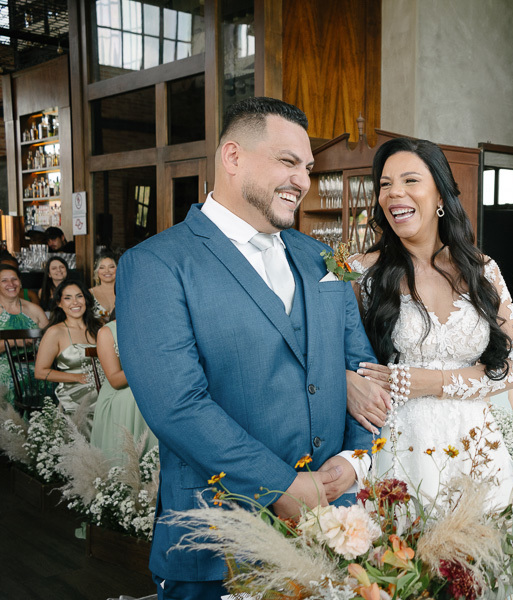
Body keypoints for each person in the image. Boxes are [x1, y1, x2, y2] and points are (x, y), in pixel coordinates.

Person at [116, 97, 380, 600]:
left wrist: (355, 459)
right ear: (233, 157)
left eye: (307, 168)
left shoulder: (322, 258)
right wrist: (279, 485)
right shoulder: (156, 265)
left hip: (333, 531)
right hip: (216, 542)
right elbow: (176, 406)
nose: (302, 180)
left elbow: (362, 371)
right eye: (287, 161)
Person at [349, 137, 513, 507]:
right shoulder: (361, 273)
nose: (395, 192)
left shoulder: (482, 270)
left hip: (476, 448)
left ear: (441, 196)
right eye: (385, 184)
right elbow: (334, 360)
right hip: (399, 446)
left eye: (410, 180)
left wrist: (431, 382)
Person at [90, 310, 158, 465]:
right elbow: (115, 380)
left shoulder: (154, 325)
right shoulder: (107, 332)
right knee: (142, 396)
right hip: (121, 392)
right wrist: (149, 364)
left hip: (152, 383)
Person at [34, 280, 102, 428]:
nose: (75, 302)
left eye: (79, 296)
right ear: (59, 303)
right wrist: (77, 377)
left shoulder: (98, 328)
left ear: (86, 299)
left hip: (103, 385)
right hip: (76, 390)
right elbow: (40, 372)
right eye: (68, 298)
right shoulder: (55, 332)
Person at [0, 265, 49, 405]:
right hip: (5, 367)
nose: (11, 284)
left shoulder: (35, 310)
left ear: (20, 282)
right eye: (4, 280)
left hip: (36, 364)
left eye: (14, 279)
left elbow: (50, 340)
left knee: (52, 380)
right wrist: (14, 342)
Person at [89, 251, 117, 322]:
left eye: (111, 267)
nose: (107, 271)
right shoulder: (89, 293)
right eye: (102, 267)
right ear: (97, 271)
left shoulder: (126, 293)